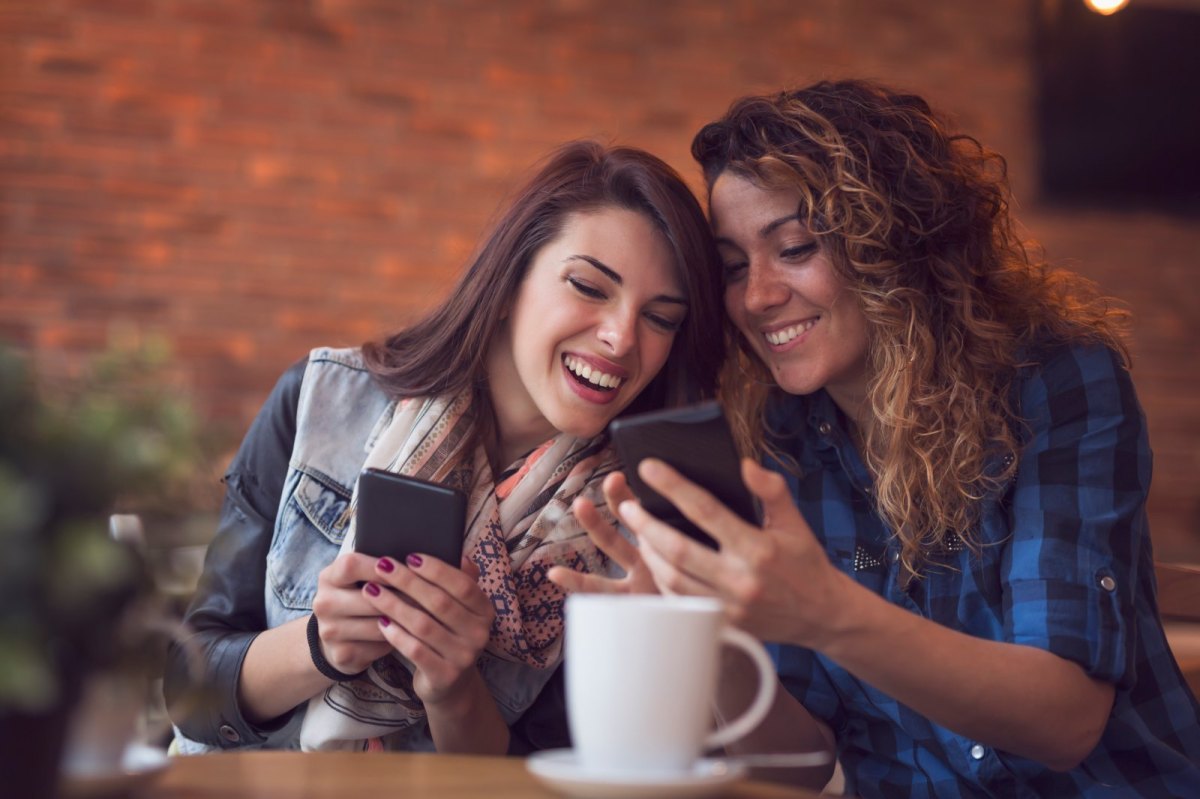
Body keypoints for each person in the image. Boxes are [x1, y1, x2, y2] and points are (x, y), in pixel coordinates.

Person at [551, 81, 1200, 796]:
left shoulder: (1056, 381)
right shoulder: (779, 435)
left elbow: (1064, 720)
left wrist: (831, 613)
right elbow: (792, 767)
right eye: (734, 266)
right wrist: (700, 636)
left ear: (895, 241)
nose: (758, 295)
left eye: (795, 246)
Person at [163, 140, 725, 755]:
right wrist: (321, 645)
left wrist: (453, 684)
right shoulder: (322, 400)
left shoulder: (630, 523)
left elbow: (557, 775)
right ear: (510, 283)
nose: (621, 339)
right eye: (589, 286)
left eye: (661, 318)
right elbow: (187, 686)